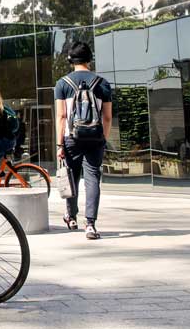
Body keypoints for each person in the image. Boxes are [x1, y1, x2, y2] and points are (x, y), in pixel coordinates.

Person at [55, 41, 112, 240]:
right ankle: (90, 224)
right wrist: (103, 138)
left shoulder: (62, 84)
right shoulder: (102, 83)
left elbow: (61, 116)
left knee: (71, 177)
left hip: (71, 137)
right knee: (92, 178)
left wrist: (59, 144)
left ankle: (71, 217)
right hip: (95, 137)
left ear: (71, 60)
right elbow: (107, 117)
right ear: (89, 59)